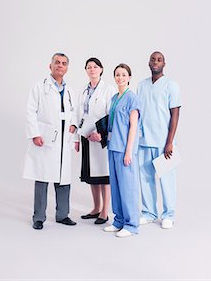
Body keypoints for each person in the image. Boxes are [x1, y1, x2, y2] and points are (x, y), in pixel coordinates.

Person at [22, 53, 79, 230]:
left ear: (67, 68)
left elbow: (75, 113)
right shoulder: (40, 87)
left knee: (63, 179)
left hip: (64, 140)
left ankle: (63, 215)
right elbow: (30, 111)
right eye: (57, 63)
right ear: (50, 66)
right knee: (42, 177)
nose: (60, 66)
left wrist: (74, 125)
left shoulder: (70, 91)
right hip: (46, 139)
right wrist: (34, 134)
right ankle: (38, 217)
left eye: (63, 64)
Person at [137, 51, 181, 229]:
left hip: (164, 142)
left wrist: (169, 142)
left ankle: (168, 214)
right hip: (144, 140)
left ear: (164, 63)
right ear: (148, 63)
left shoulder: (171, 86)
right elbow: (138, 113)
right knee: (145, 178)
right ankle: (149, 213)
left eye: (159, 60)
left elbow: (175, 114)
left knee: (167, 179)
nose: (156, 62)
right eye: (153, 59)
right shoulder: (141, 85)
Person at [75, 58, 117, 224]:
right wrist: (76, 138)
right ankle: (96, 207)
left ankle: (105, 212)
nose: (92, 69)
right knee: (92, 175)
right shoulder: (83, 91)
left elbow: (111, 115)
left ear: (101, 69)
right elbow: (78, 115)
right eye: (89, 67)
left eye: (95, 66)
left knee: (103, 176)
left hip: (101, 138)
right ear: (86, 70)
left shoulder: (108, 89)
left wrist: (102, 135)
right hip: (86, 136)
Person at [103, 63, 141, 238]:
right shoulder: (113, 98)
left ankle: (131, 224)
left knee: (128, 188)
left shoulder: (132, 98)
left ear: (129, 77)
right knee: (116, 187)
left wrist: (128, 151)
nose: (120, 78)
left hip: (125, 149)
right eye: (117, 75)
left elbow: (133, 127)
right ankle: (118, 220)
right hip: (113, 147)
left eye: (124, 75)